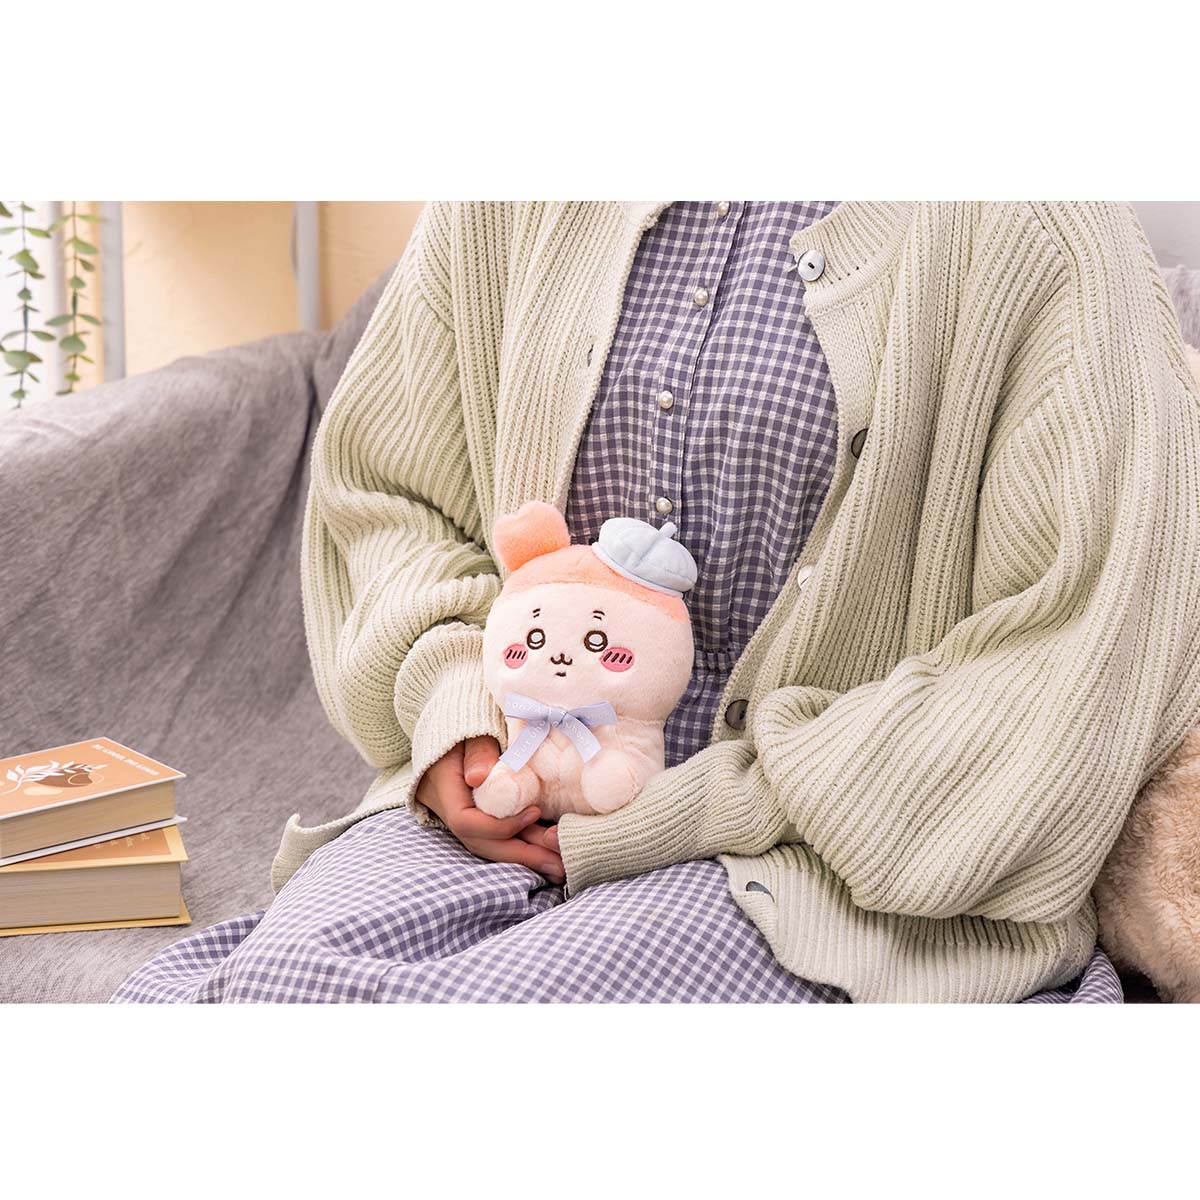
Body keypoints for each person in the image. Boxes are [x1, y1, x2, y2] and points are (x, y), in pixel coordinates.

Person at [114, 201, 1200, 1004]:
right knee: (278, 994)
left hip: (815, 868)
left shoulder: (1041, 236)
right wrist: (460, 720)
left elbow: (1079, 655)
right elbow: (389, 495)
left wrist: (689, 812)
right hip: (511, 798)